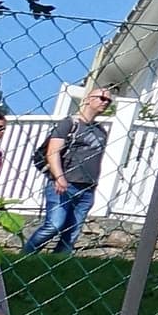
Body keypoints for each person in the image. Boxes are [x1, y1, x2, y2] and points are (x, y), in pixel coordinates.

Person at [25, 90, 111, 256]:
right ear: (88, 99)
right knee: (54, 225)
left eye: (108, 100)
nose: (105, 102)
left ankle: (58, 263)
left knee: (71, 233)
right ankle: (25, 256)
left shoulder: (101, 131)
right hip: (65, 183)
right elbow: (53, 151)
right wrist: (59, 177)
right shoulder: (70, 123)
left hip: (87, 187)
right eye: (102, 98)